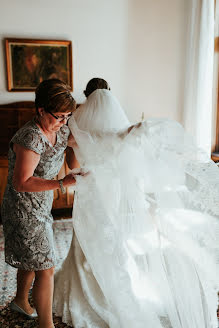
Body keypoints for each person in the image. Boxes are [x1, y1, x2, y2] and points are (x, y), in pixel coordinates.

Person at [53, 79, 219, 328]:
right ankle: (113, 290)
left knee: (86, 240)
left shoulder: (75, 122)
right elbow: (122, 150)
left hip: (89, 191)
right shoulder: (116, 124)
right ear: (109, 93)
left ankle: (87, 291)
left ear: (86, 95)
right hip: (113, 191)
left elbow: (72, 166)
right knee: (112, 240)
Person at [1, 79, 81, 328]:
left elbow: (72, 160)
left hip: (42, 205)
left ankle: (20, 301)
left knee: (32, 259)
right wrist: (60, 184)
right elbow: (22, 182)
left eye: (68, 116)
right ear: (41, 110)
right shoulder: (30, 137)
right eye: (59, 116)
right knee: (45, 266)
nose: (64, 122)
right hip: (22, 209)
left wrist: (75, 147)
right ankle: (47, 326)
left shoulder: (61, 130)